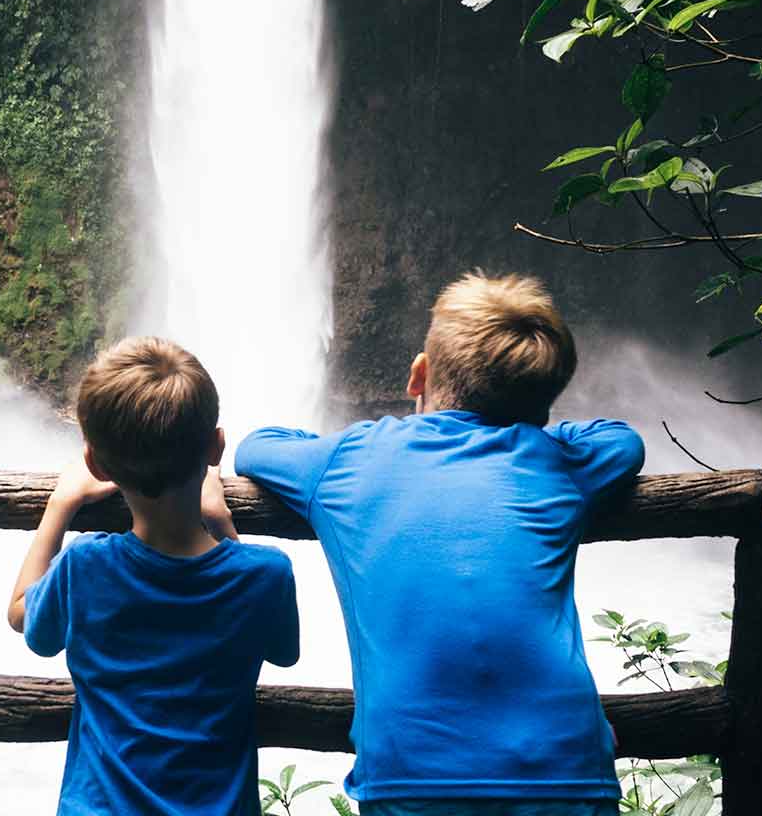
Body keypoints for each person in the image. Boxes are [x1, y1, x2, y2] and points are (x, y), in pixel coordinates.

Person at [236, 271, 644, 816]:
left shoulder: (349, 459)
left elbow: (256, 447)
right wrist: (536, 432)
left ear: (418, 375)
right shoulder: (558, 463)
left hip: (413, 780)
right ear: (542, 405)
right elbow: (621, 441)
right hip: (567, 771)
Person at [9, 335, 301, 816]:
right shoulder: (265, 575)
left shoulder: (85, 567)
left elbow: (23, 617)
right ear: (216, 448)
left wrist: (59, 505)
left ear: (94, 464)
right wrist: (224, 525)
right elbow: (284, 652)